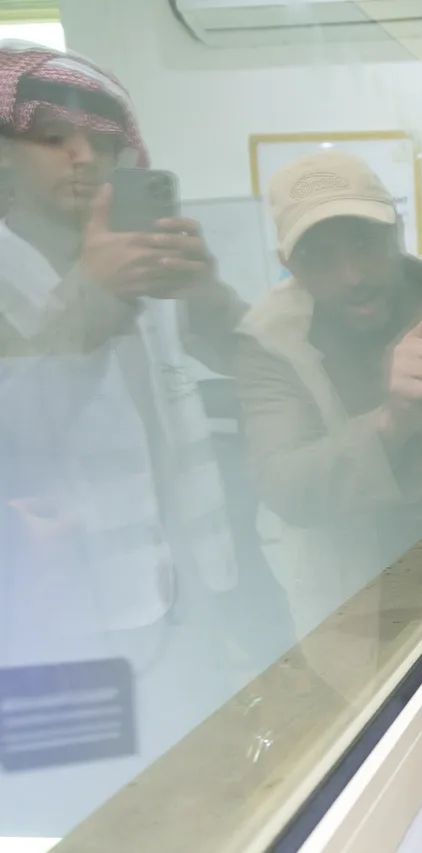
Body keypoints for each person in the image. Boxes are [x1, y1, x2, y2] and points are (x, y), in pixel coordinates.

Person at [0, 41, 249, 834]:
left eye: (104, 143)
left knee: (193, 812)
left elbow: (252, 367)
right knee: (86, 821)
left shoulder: (142, 260)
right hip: (54, 635)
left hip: (183, 601)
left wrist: (205, 290)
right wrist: (91, 296)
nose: (84, 158)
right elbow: (16, 437)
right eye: (54, 137)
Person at [234, 149, 422, 686]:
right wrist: (393, 418)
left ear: (396, 231)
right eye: (320, 257)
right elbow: (287, 487)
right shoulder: (268, 342)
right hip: (362, 604)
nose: (352, 275)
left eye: (364, 243)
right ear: (288, 264)